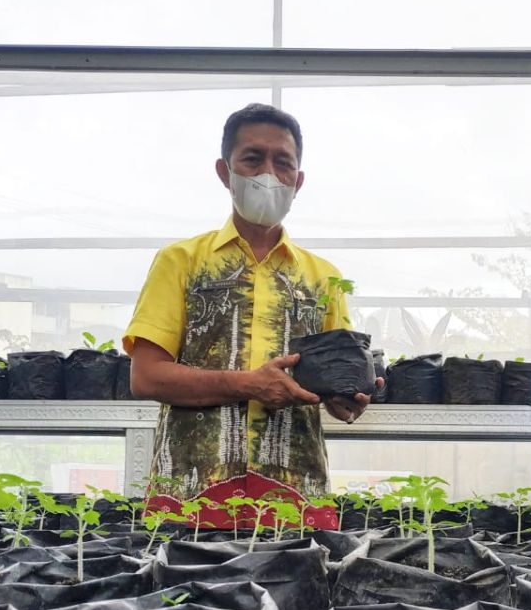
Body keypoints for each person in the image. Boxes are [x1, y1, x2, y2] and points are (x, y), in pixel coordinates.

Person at [123, 103, 375, 506]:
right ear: (225, 172)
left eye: (283, 163)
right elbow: (147, 377)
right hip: (192, 492)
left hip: (295, 496)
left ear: (299, 180)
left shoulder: (323, 278)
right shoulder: (182, 262)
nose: (268, 175)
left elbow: (335, 394)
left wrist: (348, 399)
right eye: (253, 159)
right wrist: (248, 385)